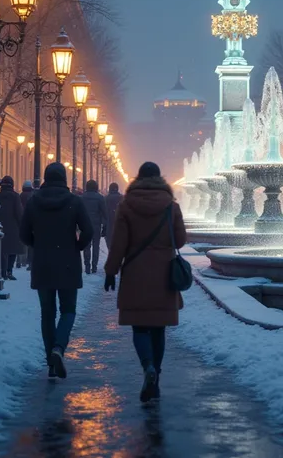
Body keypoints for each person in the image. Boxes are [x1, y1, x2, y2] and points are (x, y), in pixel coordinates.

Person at [104, 161, 186, 403]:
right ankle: (156, 375)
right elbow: (180, 241)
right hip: (163, 273)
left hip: (135, 272)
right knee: (158, 328)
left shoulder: (127, 206)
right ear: (160, 179)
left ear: (138, 179)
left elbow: (118, 243)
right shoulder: (171, 207)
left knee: (139, 326)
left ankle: (147, 366)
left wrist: (111, 271)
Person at [20, 162, 93, 380]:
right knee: (68, 310)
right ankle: (58, 349)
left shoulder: (34, 202)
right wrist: (76, 247)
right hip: (68, 263)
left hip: (43, 263)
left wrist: (39, 244)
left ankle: (50, 364)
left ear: (45, 177)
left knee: (47, 314)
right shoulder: (74, 202)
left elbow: (24, 234)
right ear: (63, 178)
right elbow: (88, 231)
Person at [0, 176, 24, 280]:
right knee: (12, 250)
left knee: (1, 250)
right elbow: (19, 212)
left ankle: (2, 271)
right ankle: (9, 271)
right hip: (13, 227)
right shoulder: (15, 196)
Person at [82, 180, 107, 274]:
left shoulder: (82, 197)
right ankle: (94, 267)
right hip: (96, 225)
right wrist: (105, 226)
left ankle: (87, 266)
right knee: (96, 246)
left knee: (86, 246)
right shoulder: (100, 198)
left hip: (85, 225)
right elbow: (105, 213)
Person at [17, 180, 34, 269]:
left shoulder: (20, 195)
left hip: (22, 219)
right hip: (31, 219)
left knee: (22, 240)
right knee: (31, 241)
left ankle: (20, 261)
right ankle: (30, 262)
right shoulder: (33, 195)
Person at [105, 182, 123, 249]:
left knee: (109, 240)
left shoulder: (106, 198)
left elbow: (104, 211)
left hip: (109, 222)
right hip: (120, 223)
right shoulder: (122, 198)